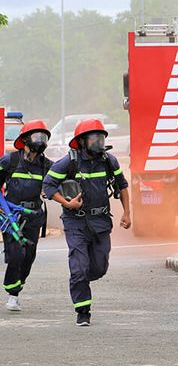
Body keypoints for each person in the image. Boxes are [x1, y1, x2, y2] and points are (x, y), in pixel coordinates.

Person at [42, 118, 130, 326]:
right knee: (79, 267)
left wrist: (127, 213)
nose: (98, 142)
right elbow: (48, 185)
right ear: (82, 141)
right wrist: (67, 203)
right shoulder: (69, 162)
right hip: (76, 222)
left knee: (99, 268)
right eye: (93, 138)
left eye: (101, 137)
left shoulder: (109, 161)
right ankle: (83, 311)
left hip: (101, 222)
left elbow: (122, 185)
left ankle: (79, 279)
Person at [0, 120, 53, 311]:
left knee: (29, 256)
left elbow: (62, 179)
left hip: (34, 216)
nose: (40, 141)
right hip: (11, 216)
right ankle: (12, 293)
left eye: (43, 137)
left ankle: (17, 287)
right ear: (25, 140)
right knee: (16, 253)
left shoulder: (46, 165)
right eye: (36, 136)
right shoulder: (10, 161)